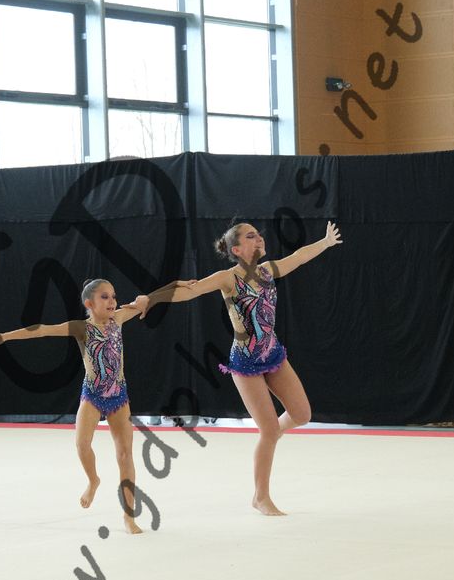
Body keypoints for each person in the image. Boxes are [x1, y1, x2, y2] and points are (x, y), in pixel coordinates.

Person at [140, 220, 342, 516]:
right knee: (269, 431)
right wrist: (152, 298)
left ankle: (271, 434)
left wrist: (324, 242)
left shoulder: (268, 270)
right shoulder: (228, 278)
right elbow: (190, 292)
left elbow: (299, 257)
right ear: (236, 249)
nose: (259, 238)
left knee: (301, 414)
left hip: (272, 354)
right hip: (246, 362)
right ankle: (261, 497)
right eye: (251, 236)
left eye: (259, 234)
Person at [0, 278, 172, 535]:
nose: (112, 301)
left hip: (118, 396)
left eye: (113, 296)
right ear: (89, 303)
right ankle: (93, 480)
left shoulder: (119, 318)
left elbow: (153, 297)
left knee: (125, 455)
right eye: (105, 297)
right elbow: (43, 329)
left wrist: (171, 287)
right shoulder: (82, 328)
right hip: (92, 395)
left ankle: (129, 517)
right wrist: (5, 336)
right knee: (82, 444)